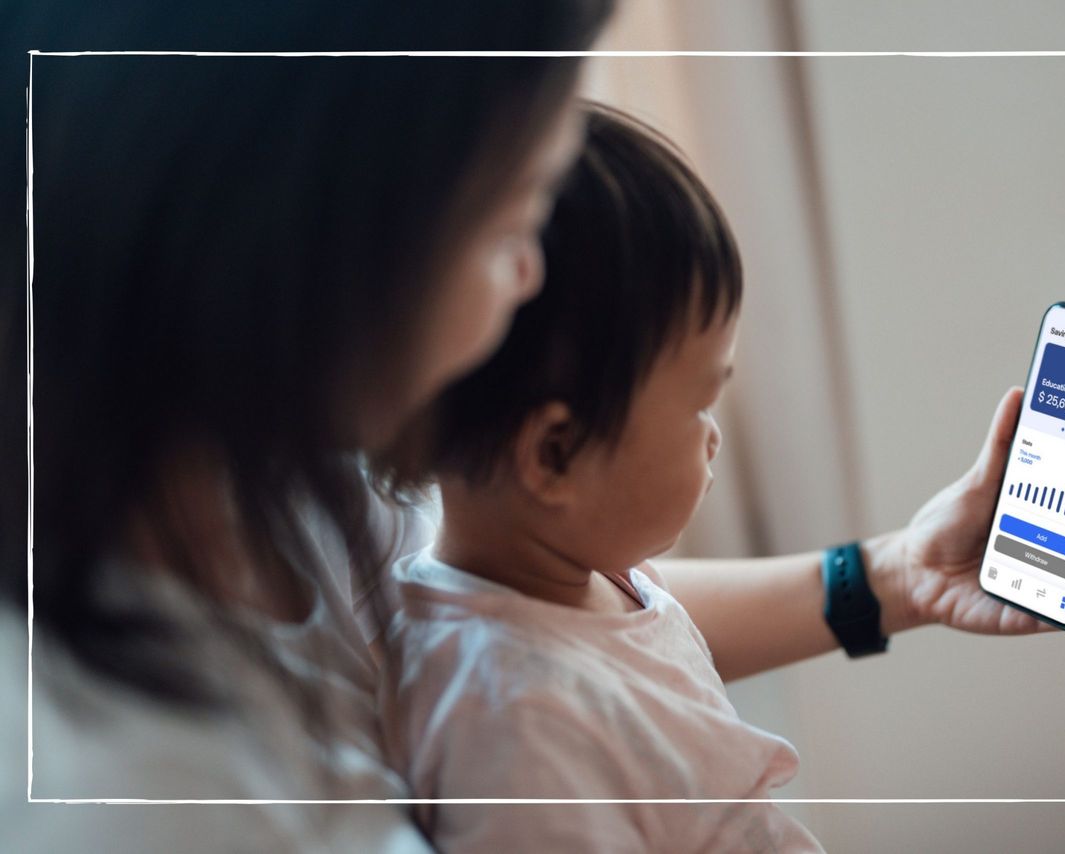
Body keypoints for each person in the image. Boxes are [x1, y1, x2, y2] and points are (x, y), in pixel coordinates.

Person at [374, 104, 1065, 851]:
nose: (712, 437)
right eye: (700, 402)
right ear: (553, 456)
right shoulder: (517, 738)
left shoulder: (573, 582)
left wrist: (908, 569)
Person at [0, 2, 615, 851]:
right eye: (514, 216)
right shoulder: (129, 800)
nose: (531, 271)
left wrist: (855, 587)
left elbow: (529, 602)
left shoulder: (271, 483)